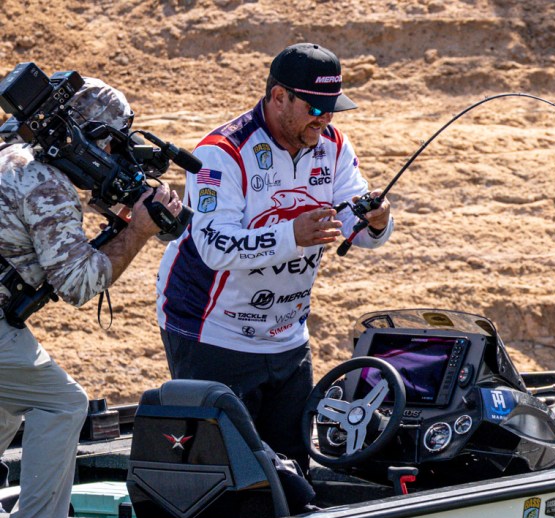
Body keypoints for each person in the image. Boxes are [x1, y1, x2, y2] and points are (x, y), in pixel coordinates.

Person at [155, 43, 393, 479]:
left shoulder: (334, 145)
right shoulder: (220, 152)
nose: (324, 119)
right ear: (279, 96)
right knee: (226, 472)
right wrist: (291, 235)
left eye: (332, 109)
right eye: (315, 108)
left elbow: (355, 226)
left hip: (286, 335)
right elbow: (214, 247)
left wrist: (377, 220)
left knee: (293, 468)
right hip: (211, 330)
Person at [0, 79, 183, 518]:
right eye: (112, 144)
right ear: (90, 137)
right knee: (62, 403)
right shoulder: (46, 184)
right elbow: (79, 283)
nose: (115, 155)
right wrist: (138, 230)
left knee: (9, 400)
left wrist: (113, 211)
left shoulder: (15, 156)